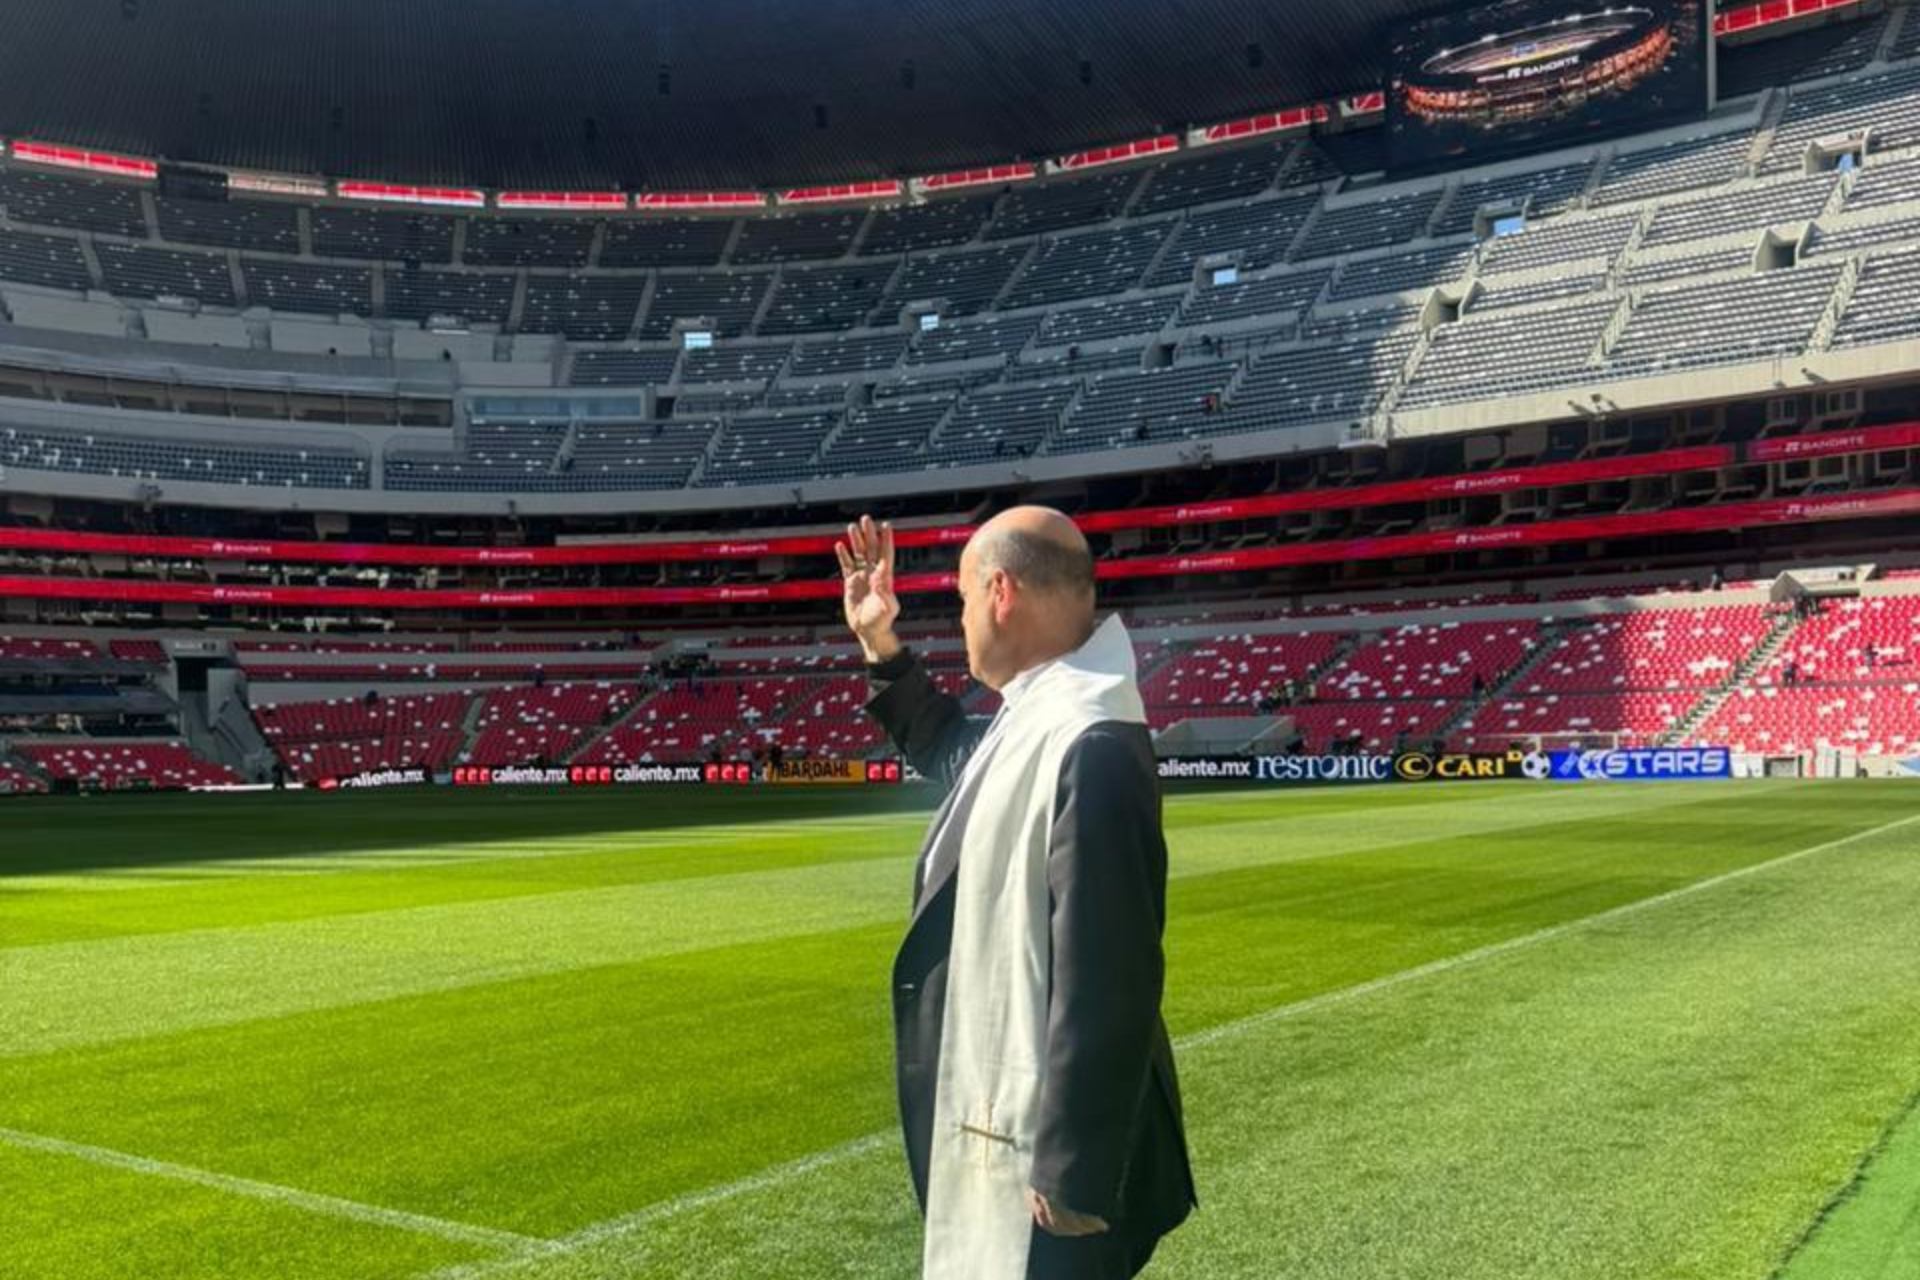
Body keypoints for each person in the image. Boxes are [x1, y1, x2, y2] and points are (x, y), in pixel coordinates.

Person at [838, 510, 1194, 1280]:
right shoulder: (1047, 711)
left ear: (1000, 591)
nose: (961, 621)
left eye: (963, 599)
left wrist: (1075, 1173)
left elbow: (1111, 974)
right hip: (1028, 1135)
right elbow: (958, 754)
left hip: (1050, 1177)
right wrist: (880, 644)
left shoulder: (1089, 739)